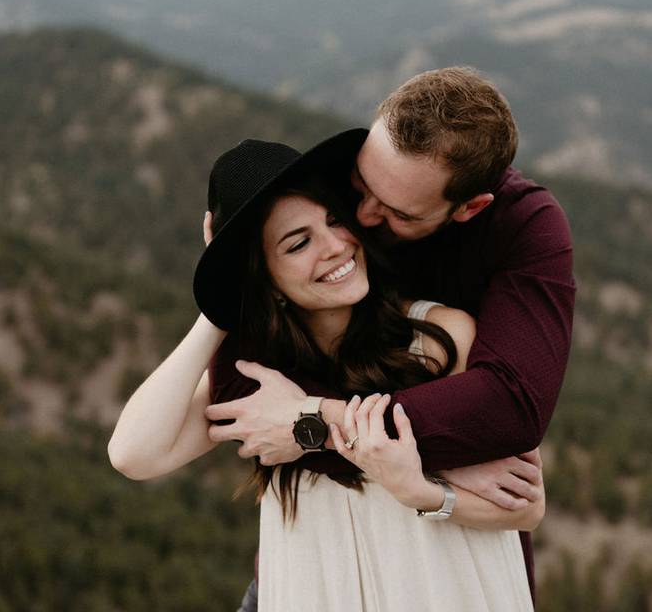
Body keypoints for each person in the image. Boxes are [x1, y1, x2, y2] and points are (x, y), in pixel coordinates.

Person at [108, 136, 544, 611]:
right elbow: (135, 453)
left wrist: (413, 485)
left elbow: (524, 506)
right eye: (299, 243)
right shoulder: (261, 379)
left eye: (335, 220)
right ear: (265, 278)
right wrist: (219, 305)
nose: (336, 246)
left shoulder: (439, 338)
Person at [204, 67, 576, 607]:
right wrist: (220, 271)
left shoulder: (525, 226)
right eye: (360, 186)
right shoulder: (333, 181)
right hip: (311, 563)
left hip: (442, 564)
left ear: (469, 208)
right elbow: (243, 394)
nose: (360, 215)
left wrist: (312, 423)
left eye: (398, 212)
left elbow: (510, 406)